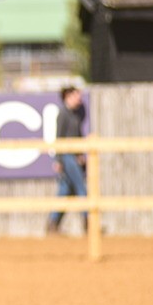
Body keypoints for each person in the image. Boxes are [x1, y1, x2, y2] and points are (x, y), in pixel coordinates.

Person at [48, 85, 88, 234]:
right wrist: (58, 159)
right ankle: (89, 224)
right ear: (68, 96)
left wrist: (80, 153)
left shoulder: (75, 114)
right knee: (81, 189)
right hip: (66, 156)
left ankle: (53, 224)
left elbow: (77, 136)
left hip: (73, 155)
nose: (79, 98)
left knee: (64, 190)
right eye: (76, 95)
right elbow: (59, 137)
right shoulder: (63, 114)